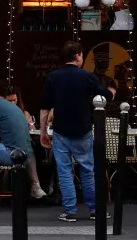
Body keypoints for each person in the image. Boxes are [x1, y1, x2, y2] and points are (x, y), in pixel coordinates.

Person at [39, 42, 101, 222]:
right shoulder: (87, 77)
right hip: (82, 129)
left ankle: (70, 210)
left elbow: (44, 108)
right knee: (87, 170)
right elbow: (104, 95)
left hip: (61, 130)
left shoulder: (53, 77)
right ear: (78, 56)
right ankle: (94, 209)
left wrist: (43, 132)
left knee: (65, 171)